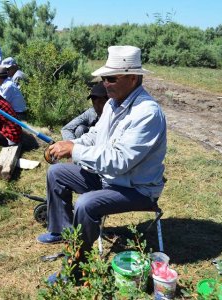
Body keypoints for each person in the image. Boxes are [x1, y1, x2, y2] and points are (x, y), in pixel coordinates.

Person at [37, 46, 167, 283]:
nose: (105, 83)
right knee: (56, 172)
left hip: (136, 188)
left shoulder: (147, 113)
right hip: (109, 179)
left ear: (133, 77)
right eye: (103, 78)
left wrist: (75, 151)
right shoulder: (112, 104)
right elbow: (95, 136)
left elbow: (120, 161)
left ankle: (75, 269)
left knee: (86, 204)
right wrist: (69, 144)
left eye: (111, 78)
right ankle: (62, 232)